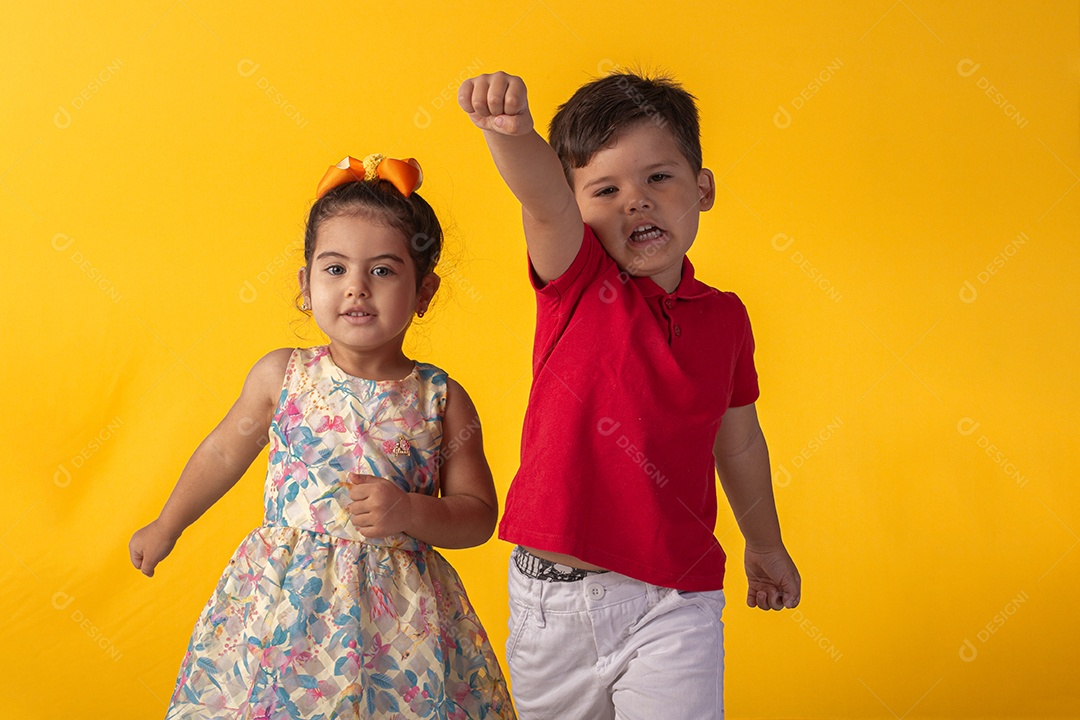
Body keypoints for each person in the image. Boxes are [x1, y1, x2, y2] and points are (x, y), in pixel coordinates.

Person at [458, 71, 801, 719]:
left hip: (676, 596)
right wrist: (513, 136)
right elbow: (542, 200)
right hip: (555, 606)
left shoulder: (725, 318)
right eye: (606, 189)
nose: (635, 202)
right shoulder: (577, 279)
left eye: (658, 179)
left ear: (702, 191)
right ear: (576, 206)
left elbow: (740, 439)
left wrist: (764, 543)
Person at [129, 154, 516, 720]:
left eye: (383, 271)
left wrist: (409, 511)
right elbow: (221, 452)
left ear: (424, 290)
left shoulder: (441, 399)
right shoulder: (281, 376)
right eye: (335, 269)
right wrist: (168, 523)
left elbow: (479, 515)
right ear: (305, 285)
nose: (356, 288)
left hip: (399, 621)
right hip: (283, 607)